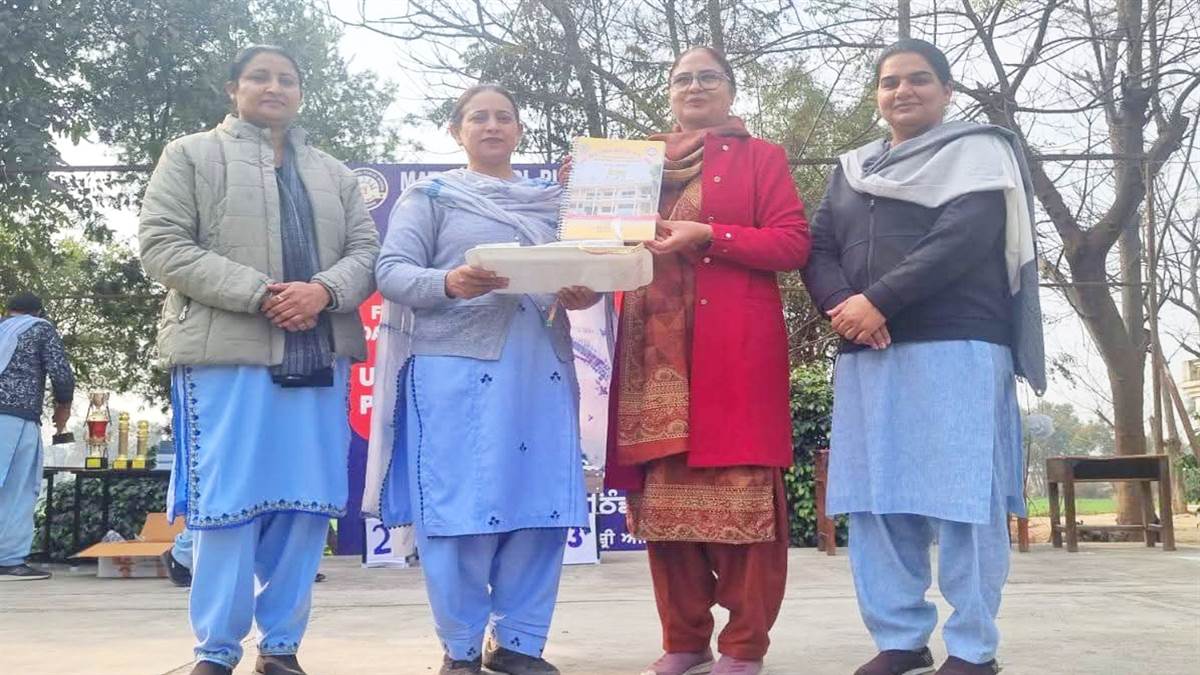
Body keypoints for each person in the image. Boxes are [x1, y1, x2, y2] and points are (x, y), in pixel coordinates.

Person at [801, 38, 1046, 675]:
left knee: (964, 499)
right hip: (866, 349)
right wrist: (844, 306)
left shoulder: (979, 152)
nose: (902, 91)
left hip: (957, 343)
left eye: (918, 79)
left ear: (946, 91)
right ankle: (901, 639)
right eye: (890, 82)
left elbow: (963, 238)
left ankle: (973, 648)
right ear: (876, 95)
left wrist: (877, 301)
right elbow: (818, 246)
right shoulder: (853, 167)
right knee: (876, 499)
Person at [139, 45, 379, 675]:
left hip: (319, 353)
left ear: (300, 92)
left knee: (306, 506)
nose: (274, 87)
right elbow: (163, 246)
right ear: (233, 88)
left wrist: (322, 292)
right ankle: (215, 652)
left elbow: (366, 253)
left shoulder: (333, 173)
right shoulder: (190, 155)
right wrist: (262, 295)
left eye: (287, 79)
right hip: (226, 358)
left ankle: (281, 649)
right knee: (226, 505)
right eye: (260, 77)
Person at [371, 84, 596, 675]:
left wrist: (585, 291)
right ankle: (462, 647)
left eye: (504, 117)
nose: (492, 126)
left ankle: (519, 642)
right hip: (455, 371)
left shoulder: (553, 204)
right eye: (479, 117)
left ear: (519, 130)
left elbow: (590, 270)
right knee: (459, 509)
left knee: (540, 503)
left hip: (541, 367)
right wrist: (449, 283)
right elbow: (391, 271)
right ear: (457, 131)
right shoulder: (431, 197)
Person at [603, 47, 811, 675]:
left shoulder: (761, 158)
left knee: (743, 494)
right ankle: (685, 640)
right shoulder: (629, 162)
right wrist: (583, 205)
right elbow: (600, 246)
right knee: (663, 501)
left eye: (708, 77)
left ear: (730, 89)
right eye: (682, 78)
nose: (695, 86)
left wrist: (712, 237)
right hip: (651, 356)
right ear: (669, 92)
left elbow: (792, 244)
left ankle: (745, 645)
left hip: (734, 351)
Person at [0, 292, 74, 581]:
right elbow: (61, 373)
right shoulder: (40, 328)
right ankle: (8, 559)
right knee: (18, 489)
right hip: (16, 417)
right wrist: (63, 409)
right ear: (38, 312)